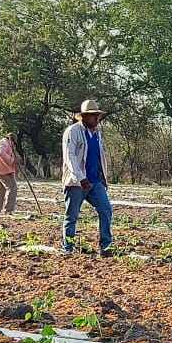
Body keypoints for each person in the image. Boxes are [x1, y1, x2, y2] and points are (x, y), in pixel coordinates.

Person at [61, 99, 114, 255]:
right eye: (93, 115)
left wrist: (102, 176)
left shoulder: (97, 133)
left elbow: (98, 156)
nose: (97, 118)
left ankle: (105, 246)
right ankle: (68, 248)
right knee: (72, 216)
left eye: (98, 115)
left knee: (106, 210)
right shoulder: (72, 132)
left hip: (94, 181)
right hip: (76, 183)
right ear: (84, 116)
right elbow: (69, 156)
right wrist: (80, 177)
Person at [0, 132, 21, 214]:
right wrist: (12, 160)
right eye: (14, 143)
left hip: (0, 171)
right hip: (4, 171)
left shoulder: (1, 144)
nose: (14, 145)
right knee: (12, 188)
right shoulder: (4, 143)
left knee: (0, 190)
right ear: (11, 139)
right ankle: (8, 210)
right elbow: (0, 153)